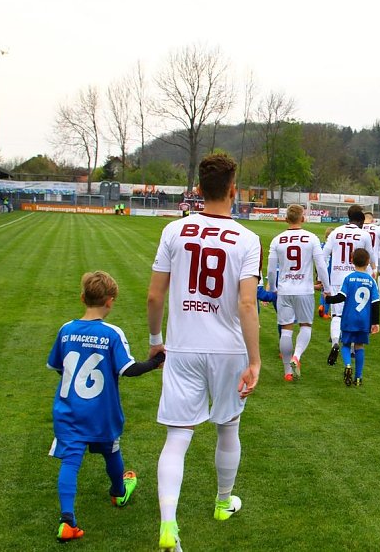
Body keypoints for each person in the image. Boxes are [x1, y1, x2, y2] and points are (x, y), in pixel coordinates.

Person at [146, 154, 263, 552]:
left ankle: (168, 525)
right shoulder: (247, 239)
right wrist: (255, 360)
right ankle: (222, 501)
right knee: (228, 427)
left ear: (197, 191)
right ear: (235, 191)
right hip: (228, 349)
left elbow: (153, 295)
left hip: (183, 346)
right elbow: (248, 305)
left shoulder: (174, 231)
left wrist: (154, 339)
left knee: (177, 438)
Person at [47, 271, 164, 542]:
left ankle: (67, 521)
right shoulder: (111, 333)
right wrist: (156, 362)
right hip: (101, 412)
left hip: (68, 411)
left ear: (82, 298)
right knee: (111, 450)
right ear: (110, 301)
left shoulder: (66, 329)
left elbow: (57, 366)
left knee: (70, 461)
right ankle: (118, 492)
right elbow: (129, 370)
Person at [266, 204, 332, 382]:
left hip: (285, 290)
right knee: (305, 326)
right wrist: (327, 288)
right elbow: (321, 266)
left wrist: (272, 288)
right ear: (302, 218)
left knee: (286, 330)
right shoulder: (311, 238)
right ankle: (297, 356)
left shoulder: (277, 240)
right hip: (304, 290)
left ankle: (287, 371)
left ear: (286, 219)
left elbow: (272, 270)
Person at [323, 204, 375, 365]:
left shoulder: (335, 232)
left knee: (337, 315)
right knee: (355, 312)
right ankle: (353, 349)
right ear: (360, 221)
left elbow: (324, 256)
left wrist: (323, 279)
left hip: (337, 277)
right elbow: (371, 258)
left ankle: (335, 342)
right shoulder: (363, 234)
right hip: (356, 278)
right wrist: (373, 273)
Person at [323, 248, 380, 386]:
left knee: (346, 344)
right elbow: (376, 302)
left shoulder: (348, 278)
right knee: (360, 346)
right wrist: (375, 322)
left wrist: (328, 299)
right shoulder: (371, 281)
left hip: (349, 318)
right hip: (364, 320)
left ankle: (348, 365)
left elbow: (341, 297)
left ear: (352, 261)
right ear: (368, 262)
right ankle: (359, 377)